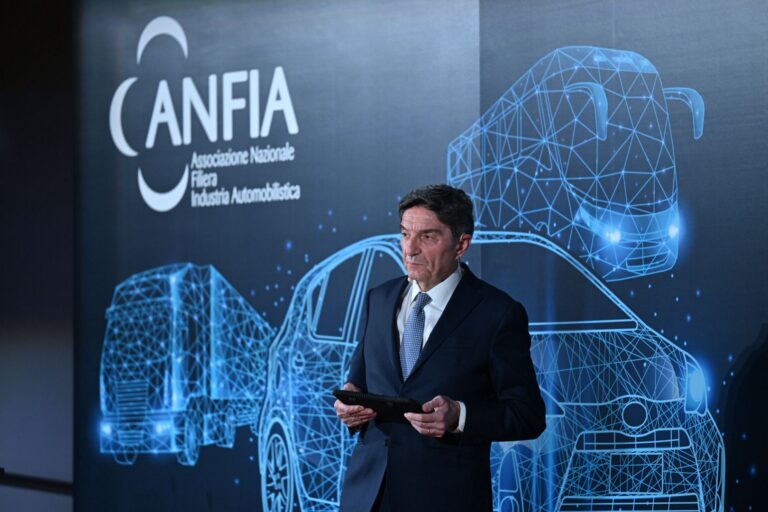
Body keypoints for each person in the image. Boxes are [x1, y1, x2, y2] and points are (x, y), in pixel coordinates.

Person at [334, 184, 546, 511]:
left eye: (427, 237)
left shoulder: (497, 313)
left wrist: (460, 416)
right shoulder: (378, 299)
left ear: (461, 244)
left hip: (445, 497)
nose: (410, 249)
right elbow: (358, 384)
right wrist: (350, 407)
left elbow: (527, 415)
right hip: (368, 496)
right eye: (405, 234)